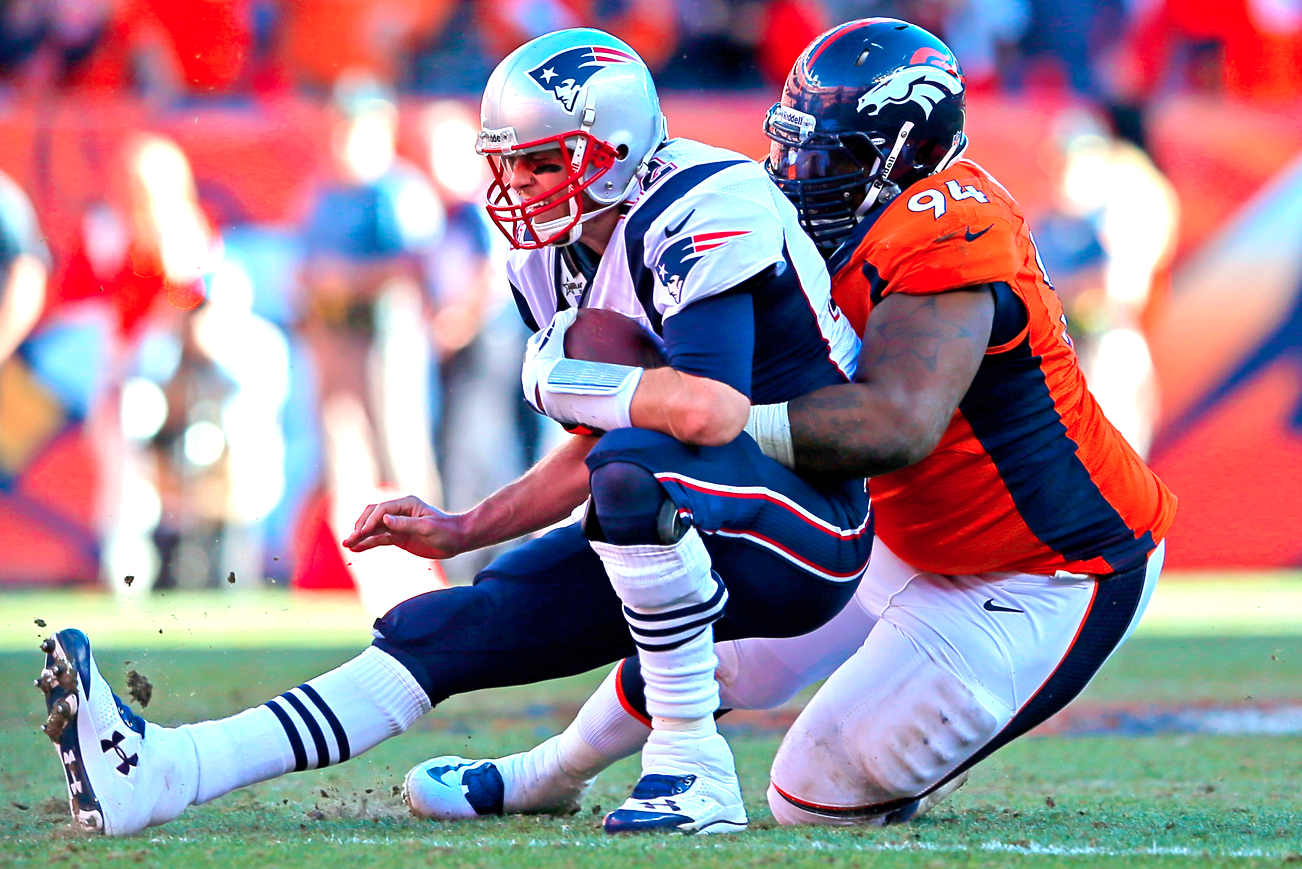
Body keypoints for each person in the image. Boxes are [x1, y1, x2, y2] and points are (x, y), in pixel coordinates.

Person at [35, 28, 868, 838]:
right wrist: (465, 525)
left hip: (809, 525)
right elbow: (611, 441)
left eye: (545, 159)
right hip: (682, 505)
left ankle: (693, 766)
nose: (521, 183)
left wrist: (555, 374)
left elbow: (711, 410)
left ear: (614, 148)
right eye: (509, 161)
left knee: (633, 469)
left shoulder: (702, 200)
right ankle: (167, 769)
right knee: (444, 625)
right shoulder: (552, 255)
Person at [401, 18, 1177, 828]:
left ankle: (908, 745)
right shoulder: (766, 211)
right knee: (719, 630)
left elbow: (895, 424)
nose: (798, 172)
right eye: (791, 144)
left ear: (905, 154)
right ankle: (547, 771)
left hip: (1044, 566)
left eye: (830, 155)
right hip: (898, 530)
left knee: (812, 795)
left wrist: (707, 422)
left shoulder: (949, 223)